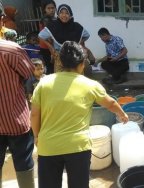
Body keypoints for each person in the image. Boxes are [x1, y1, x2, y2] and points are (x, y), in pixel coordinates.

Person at [30, 41, 129, 188]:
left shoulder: (44, 83)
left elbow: (34, 115)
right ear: (82, 63)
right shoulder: (90, 85)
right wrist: (123, 115)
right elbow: (111, 104)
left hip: (48, 146)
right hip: (78, 148)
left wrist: (37, 136)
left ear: (60, 61)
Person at [0, 2, 35, 187]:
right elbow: (28, 73)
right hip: (15, 120)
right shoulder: (11, 49)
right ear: (2, 21)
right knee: (23, 162)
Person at [39, 4, 90, 72]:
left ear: (70, 15)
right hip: (59, 56)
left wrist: (79, 42)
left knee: (75, 77)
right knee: (59, 78)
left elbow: (87, 35)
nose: (64, 15)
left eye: (66, 13)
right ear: (58, 14)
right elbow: (41, 35)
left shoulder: (76, 26)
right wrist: (50, 47)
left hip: (74, 56)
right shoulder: (53, 25)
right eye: (61, 13)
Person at [39, 0, 56, 74]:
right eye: (48, 8)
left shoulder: (55, 19)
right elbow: (48, 37)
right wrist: (52, 52)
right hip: (46, 48)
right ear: (44, 10)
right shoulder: (45, 20)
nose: (51, 10)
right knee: (50, 68)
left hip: (53, 47)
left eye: (53, 8)